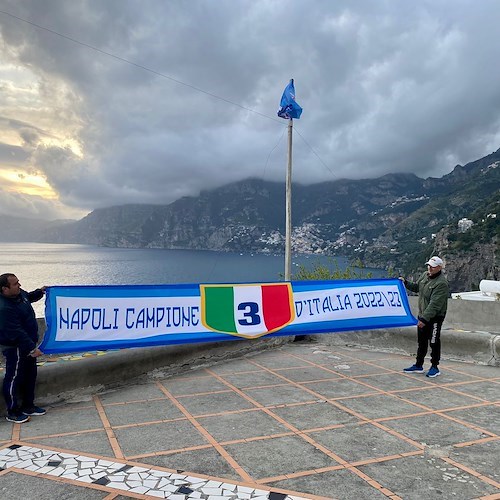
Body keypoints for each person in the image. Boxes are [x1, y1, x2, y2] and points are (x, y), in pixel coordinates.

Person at [0, 273, 47, 423]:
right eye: (15, 284)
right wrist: (33, 349)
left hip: (28, 344)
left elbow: (29, 297)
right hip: (15, 348)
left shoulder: (20, 294)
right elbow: (16, 331)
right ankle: (12, 411)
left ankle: (28, 406)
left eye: (18, 282)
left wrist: (40, 291)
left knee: (30, 375)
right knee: (14, 378)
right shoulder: (4, 308)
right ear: (4, 289)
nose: (19, 285)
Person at [400, 256, 450, 378]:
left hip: (435, 318)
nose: (429, 268)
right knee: (421, 341)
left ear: (439, 268)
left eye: (432, 267)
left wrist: (424, 319)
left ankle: (434, 367)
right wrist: (405, 283)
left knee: (434, 341)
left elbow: (435, 304)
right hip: (423, 314)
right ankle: (418, 364)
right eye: (428, 265)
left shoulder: (441, 284)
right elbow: (417, 287)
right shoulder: (424, 275)